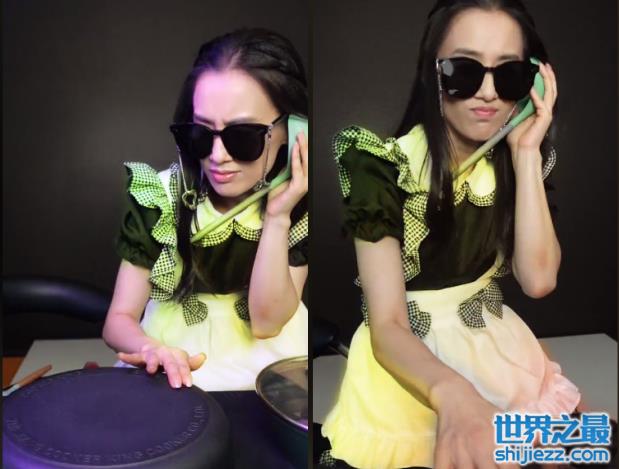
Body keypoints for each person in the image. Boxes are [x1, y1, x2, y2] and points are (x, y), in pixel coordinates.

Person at [319, 1, 583, 468]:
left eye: (509, 74)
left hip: (497, 349)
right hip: (409, 367)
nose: (488, 93)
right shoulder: (380, 167)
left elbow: (539, 281)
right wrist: (455, 396)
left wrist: (525, 154)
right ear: (432, 73)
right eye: (464, 70)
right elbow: (387, 325)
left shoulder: (516, 162)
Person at [102, 28, 308, 392]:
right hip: (173, 360)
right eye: (200, 133)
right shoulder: (160, 196)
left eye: (242, 136)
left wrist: (277, 218)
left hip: (266, 367)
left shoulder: (296, 203)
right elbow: (117, 320)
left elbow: (267, 323)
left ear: (291, 131)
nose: (217, 156)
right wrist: (151, 349)